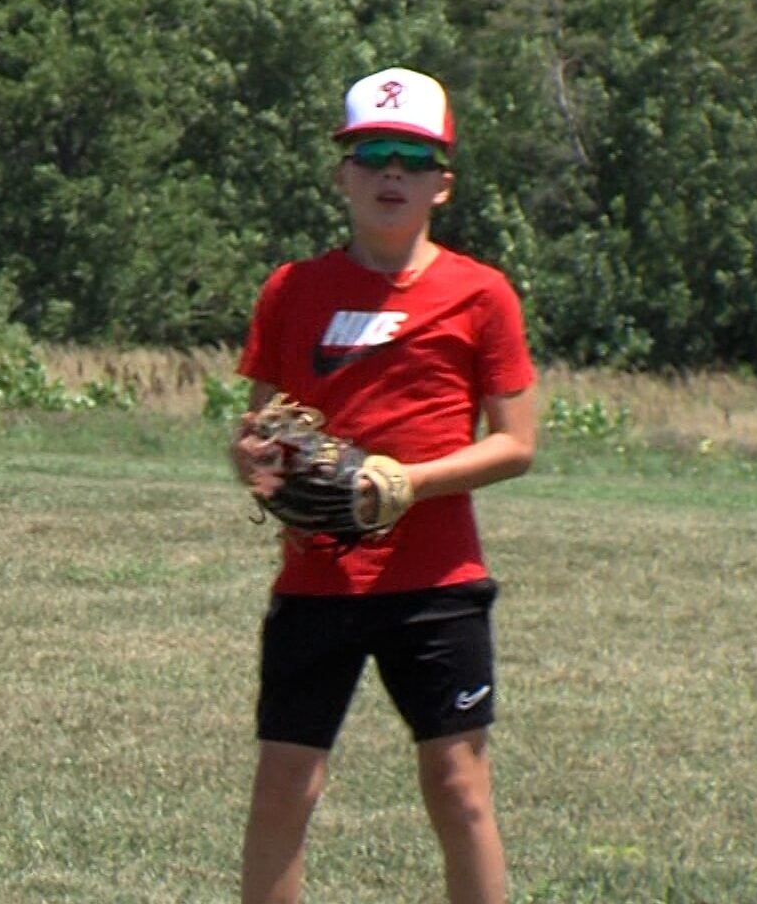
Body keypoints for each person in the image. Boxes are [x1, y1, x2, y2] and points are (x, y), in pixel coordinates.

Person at [230, 66, 538, 904]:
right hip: (317, 577)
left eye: (412, 156)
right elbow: (258, 427)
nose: (391, 173)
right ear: (343, 175)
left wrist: (407, 482)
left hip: (436, 583)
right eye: (372, 155)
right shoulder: (293, 289)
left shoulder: (481, 294)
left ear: (443, 182)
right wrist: (255, 461)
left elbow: (516, 445)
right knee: (287, 782)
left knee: (458, 784)